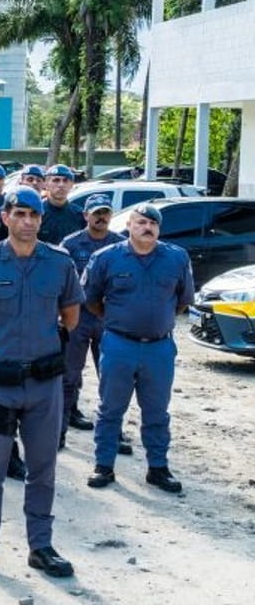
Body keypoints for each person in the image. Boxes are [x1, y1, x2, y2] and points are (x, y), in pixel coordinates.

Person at [0, 186, 83, 580]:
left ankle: (40, 546)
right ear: (5, 217)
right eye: (20, 213)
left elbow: (72, 317)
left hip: (44, 384)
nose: (27, 221)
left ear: (41, 220)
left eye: (34, 215)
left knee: (42, 468)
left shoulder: (59, 263)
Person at [82, 203, 193, 494]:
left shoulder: (176, 257)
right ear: (128, 225)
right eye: (141, 222)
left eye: (153, 223)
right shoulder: (105, 258)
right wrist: (119, 321)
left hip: (159, 348)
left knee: (157, 412)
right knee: (110, 409)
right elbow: (91, 300)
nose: (148, 228)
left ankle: (158, 468)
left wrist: (157, 322)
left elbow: (183, 300)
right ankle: (103, 466)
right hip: (119, 344)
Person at [58, 194, 124, 443]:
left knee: (111, 378)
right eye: (95, 213)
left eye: (105, 212)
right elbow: (60, 280)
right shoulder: (71, 244)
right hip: (78, 318)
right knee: (68, 377)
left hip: (108, 320)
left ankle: (112, 434)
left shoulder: (120, 244)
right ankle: (59, 432)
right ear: (86, 215)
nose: (101, 217)